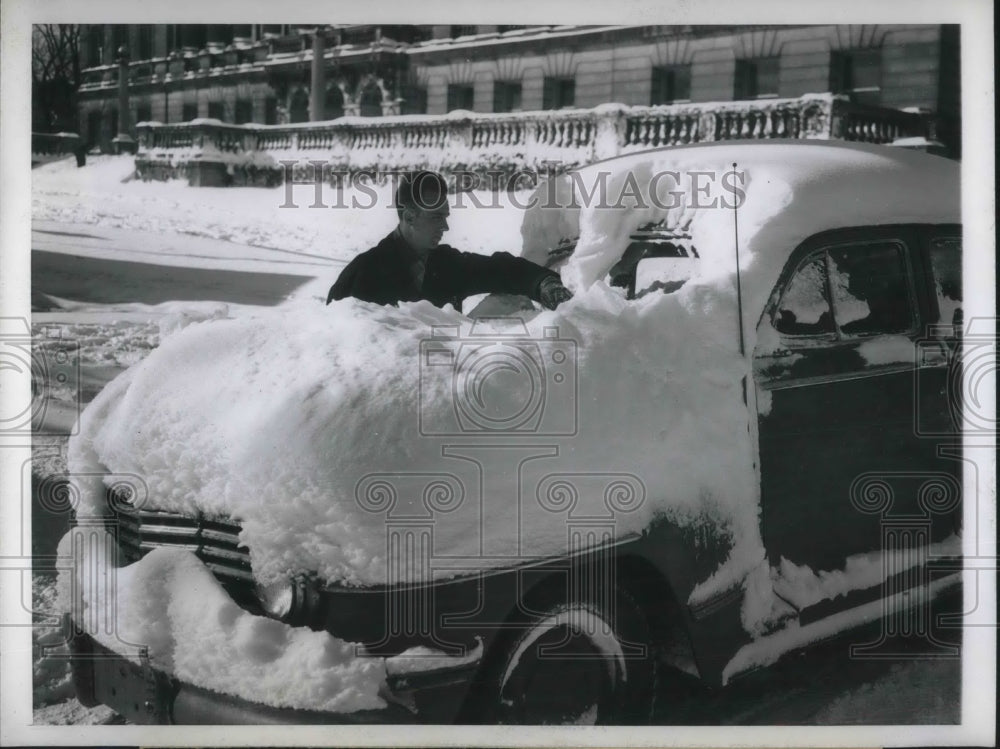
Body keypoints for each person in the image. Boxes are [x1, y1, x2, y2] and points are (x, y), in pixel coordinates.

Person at [327, 171, 573, 312]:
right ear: (410, 216)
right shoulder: (361, 276)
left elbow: (502, 268)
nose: (445, 227)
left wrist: (543, 283)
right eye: (436, 218)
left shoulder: (446, 264)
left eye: (445, 216)